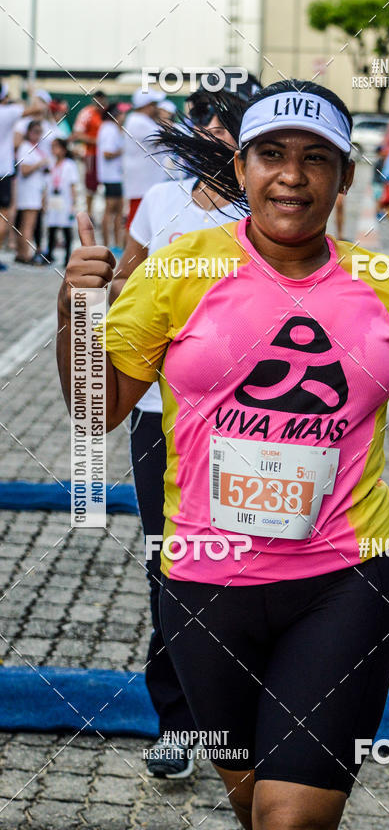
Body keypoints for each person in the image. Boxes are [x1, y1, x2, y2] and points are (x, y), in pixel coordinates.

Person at [57, 79, 389, 830]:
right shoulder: (178, 270)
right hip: (205, 587)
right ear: (241, 165)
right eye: (270, 155)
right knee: (260, 806)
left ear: (346, 175)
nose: (291, 176)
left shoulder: (387, 287)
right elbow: (95, 409)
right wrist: (74, 313)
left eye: (315, 159)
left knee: (295, 820)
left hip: (346, 579)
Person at [108, 76, 258, 779]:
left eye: (228, 124)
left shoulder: (268, 211)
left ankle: (242, 709)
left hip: (248, 421)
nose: (214, 134)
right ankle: (176, 723)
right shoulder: (162, 203)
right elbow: (128, 284)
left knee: (246, 565)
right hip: (157, 419)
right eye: (205, 121)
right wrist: (93, 292)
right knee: (167, 566)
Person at [0, 84, 44, 265]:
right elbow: (38, 109)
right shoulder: (7, 112)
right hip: (3, 171)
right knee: (5, 216)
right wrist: (33, 92)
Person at [122, 88, 167, 229]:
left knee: (142, 224)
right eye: (154, 104)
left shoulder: (141, 121)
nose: (157, 108)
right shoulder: (138, 122)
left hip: (144, 183)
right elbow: (165, 139)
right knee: (137, 224)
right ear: (147, 106)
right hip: (142, 185)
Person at [14, 120, 51, 265]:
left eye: (39, 132)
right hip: (28, 192)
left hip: (35, 191)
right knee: (28, 225)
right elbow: (24, 170)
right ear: (28, 132)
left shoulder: (35, 148)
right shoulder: (25, 147)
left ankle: (21, 253)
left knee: (26, 224)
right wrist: (40, 164)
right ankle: (26, 254)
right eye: (35, 131)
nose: (37, 135)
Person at [97, 102, 128, 256]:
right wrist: (123, 151)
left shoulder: (111, 128)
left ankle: (116, 245)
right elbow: (107, 153)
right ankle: (108, 245)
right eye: (122, 114)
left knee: (117, 213)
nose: (125, 117)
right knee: (111, 212)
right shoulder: (109, 130)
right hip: (112, 177)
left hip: (115, 177)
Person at [71, 91, 108, 219]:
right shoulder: (87, 113)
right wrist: (94, 141)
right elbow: (77, 133)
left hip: (106, 156)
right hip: (92, 154)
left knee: (106, 185)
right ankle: (90, 213)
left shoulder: (108, 114)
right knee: (90, 185)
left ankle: (105, 215)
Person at [45, 138, 79, 266]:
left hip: (65, 199)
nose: (54, 150)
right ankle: (49, 254)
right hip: (53, 198)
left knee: (66, 227)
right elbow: (47, 183)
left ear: (64, 149)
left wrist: (73, 203)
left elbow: (72, 185)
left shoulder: (69, 164)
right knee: (52, 226)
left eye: (57, 147)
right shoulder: (51, 164)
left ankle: (67, 257)